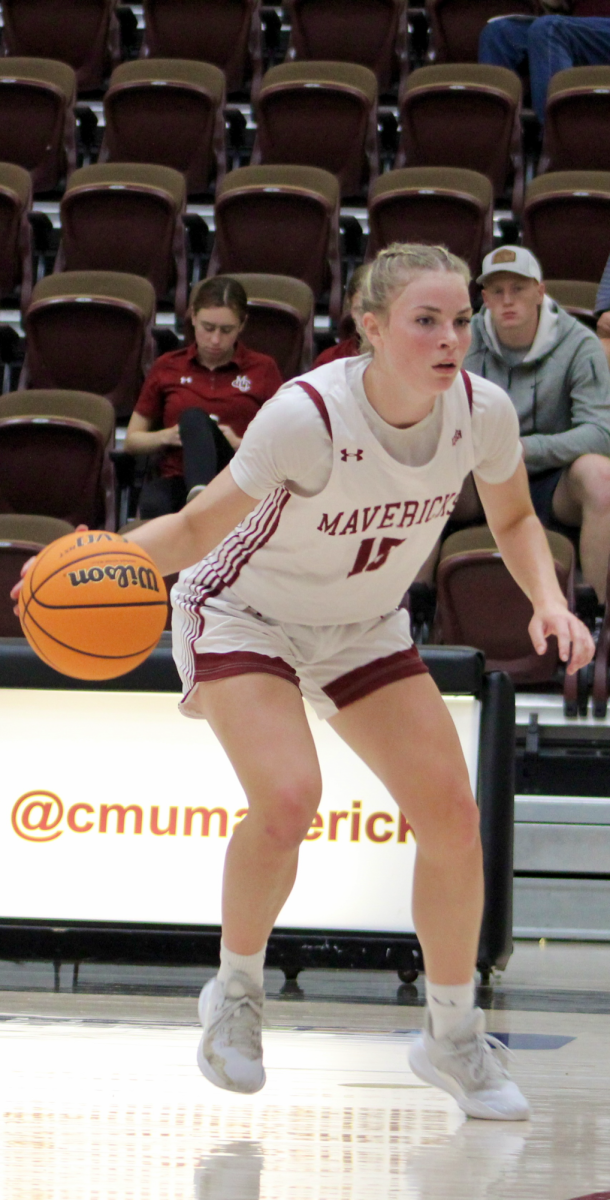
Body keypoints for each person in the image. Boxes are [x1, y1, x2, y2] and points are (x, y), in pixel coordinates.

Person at [13, 243, 593, 1120]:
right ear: (369, 327)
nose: (450, 339)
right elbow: (198, 525)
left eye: (461, 321)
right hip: (246, 614)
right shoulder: (307, 416)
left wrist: (551, 601)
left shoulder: (484, 412)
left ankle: (451, 1035)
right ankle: (237, 996)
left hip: (361, 628)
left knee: (453, 818)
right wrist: (87, 561)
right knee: (289, 798)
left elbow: (512, 514)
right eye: (425, 321)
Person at [462, 246, 610, 603]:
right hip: (475, 473)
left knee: (603, 476)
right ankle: (404, 609)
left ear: (540, 291)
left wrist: (526, 449)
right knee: (415, 464)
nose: (508, 300)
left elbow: (601, 433)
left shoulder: (580, 344)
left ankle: (598, 617)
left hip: (552, 479)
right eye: (497, 291)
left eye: (519, 288)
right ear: (484, 298)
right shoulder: (462, 340)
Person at [123, 277, 283, 518]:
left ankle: (201, 500)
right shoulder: (168, 366)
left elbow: (284, 443)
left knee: (195, 418)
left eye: (226, 330)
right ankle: (201, 497)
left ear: (242, 326)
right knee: (192, 422)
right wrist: (169, 435)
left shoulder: (263, 368)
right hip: (178, 476)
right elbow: (132, 441)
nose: (215, 340)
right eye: (208, 328)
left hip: (238, 474)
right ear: (193, 318)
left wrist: (241, 443)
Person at [479, 8, 610, 123]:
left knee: (549, 28)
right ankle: (498, 140)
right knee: (499, 33)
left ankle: (562, 139)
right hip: (580, 26)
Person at [312, 265, 366, 367]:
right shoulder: (329, 361)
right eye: (360, 309)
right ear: (350, 307)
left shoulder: (404, 360)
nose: (367, 320)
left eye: (376, 309)